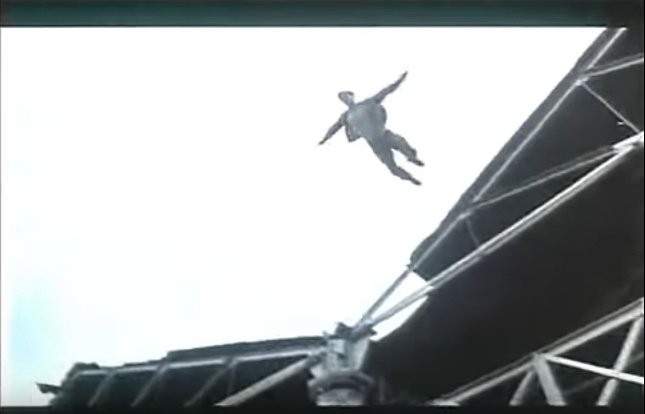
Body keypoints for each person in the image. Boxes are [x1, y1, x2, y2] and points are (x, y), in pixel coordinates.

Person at [319, 71, 424, 186]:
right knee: (392, 167)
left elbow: (386, 91)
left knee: (402, 144)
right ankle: (411, 179)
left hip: (384, 134)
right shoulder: (346, 116)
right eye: (342, 98)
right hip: (374, 143)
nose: (345, 99)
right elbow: (334, 128)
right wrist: (324, 139)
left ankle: (412, 158)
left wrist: (400, 80)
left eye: (346, 95)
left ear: (352, 96)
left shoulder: (367, 103)